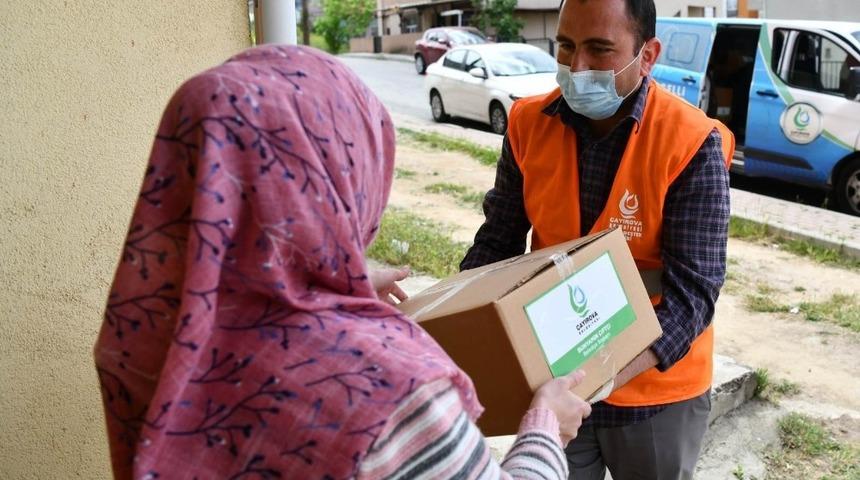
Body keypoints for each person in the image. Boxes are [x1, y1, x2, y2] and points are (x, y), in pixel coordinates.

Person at [93, 44, 592, 479]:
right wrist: (545, 431)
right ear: (343, 172)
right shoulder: (386, 390)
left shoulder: (145, 332)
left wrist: (326, 290)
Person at [460, 0, 734, 478]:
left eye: (599, 49)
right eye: (565, 46)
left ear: (646, 55)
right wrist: (456, 322)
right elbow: (496, 243)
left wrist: (598, 377)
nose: (576, 66)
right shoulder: (528, 124)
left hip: (653, 388)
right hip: (552, 381)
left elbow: (693, 295)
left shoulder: (690, 142)